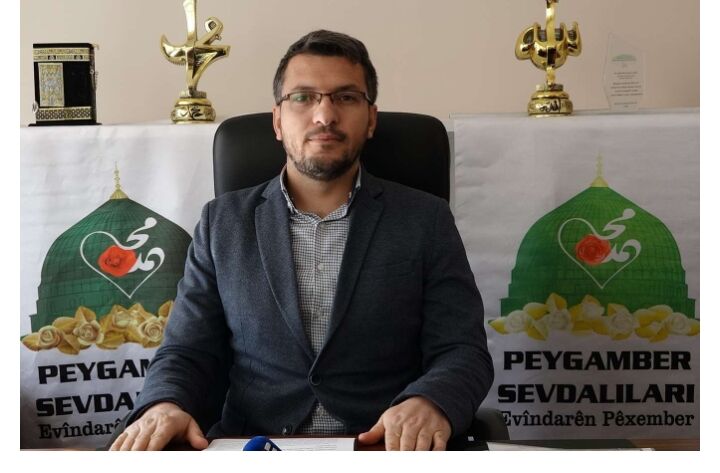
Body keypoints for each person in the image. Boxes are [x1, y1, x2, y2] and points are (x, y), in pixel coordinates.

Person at [110, 29, 493, 451]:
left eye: (346, 97)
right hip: (257, 446)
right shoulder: (223, 223)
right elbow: (187, 351)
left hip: (381, 446)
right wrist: (165, 403)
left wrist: (430, 401)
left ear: (371, 120)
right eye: (303, 97)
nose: (324, 116)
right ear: (277, 120)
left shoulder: (425, 219)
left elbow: (463, 350)